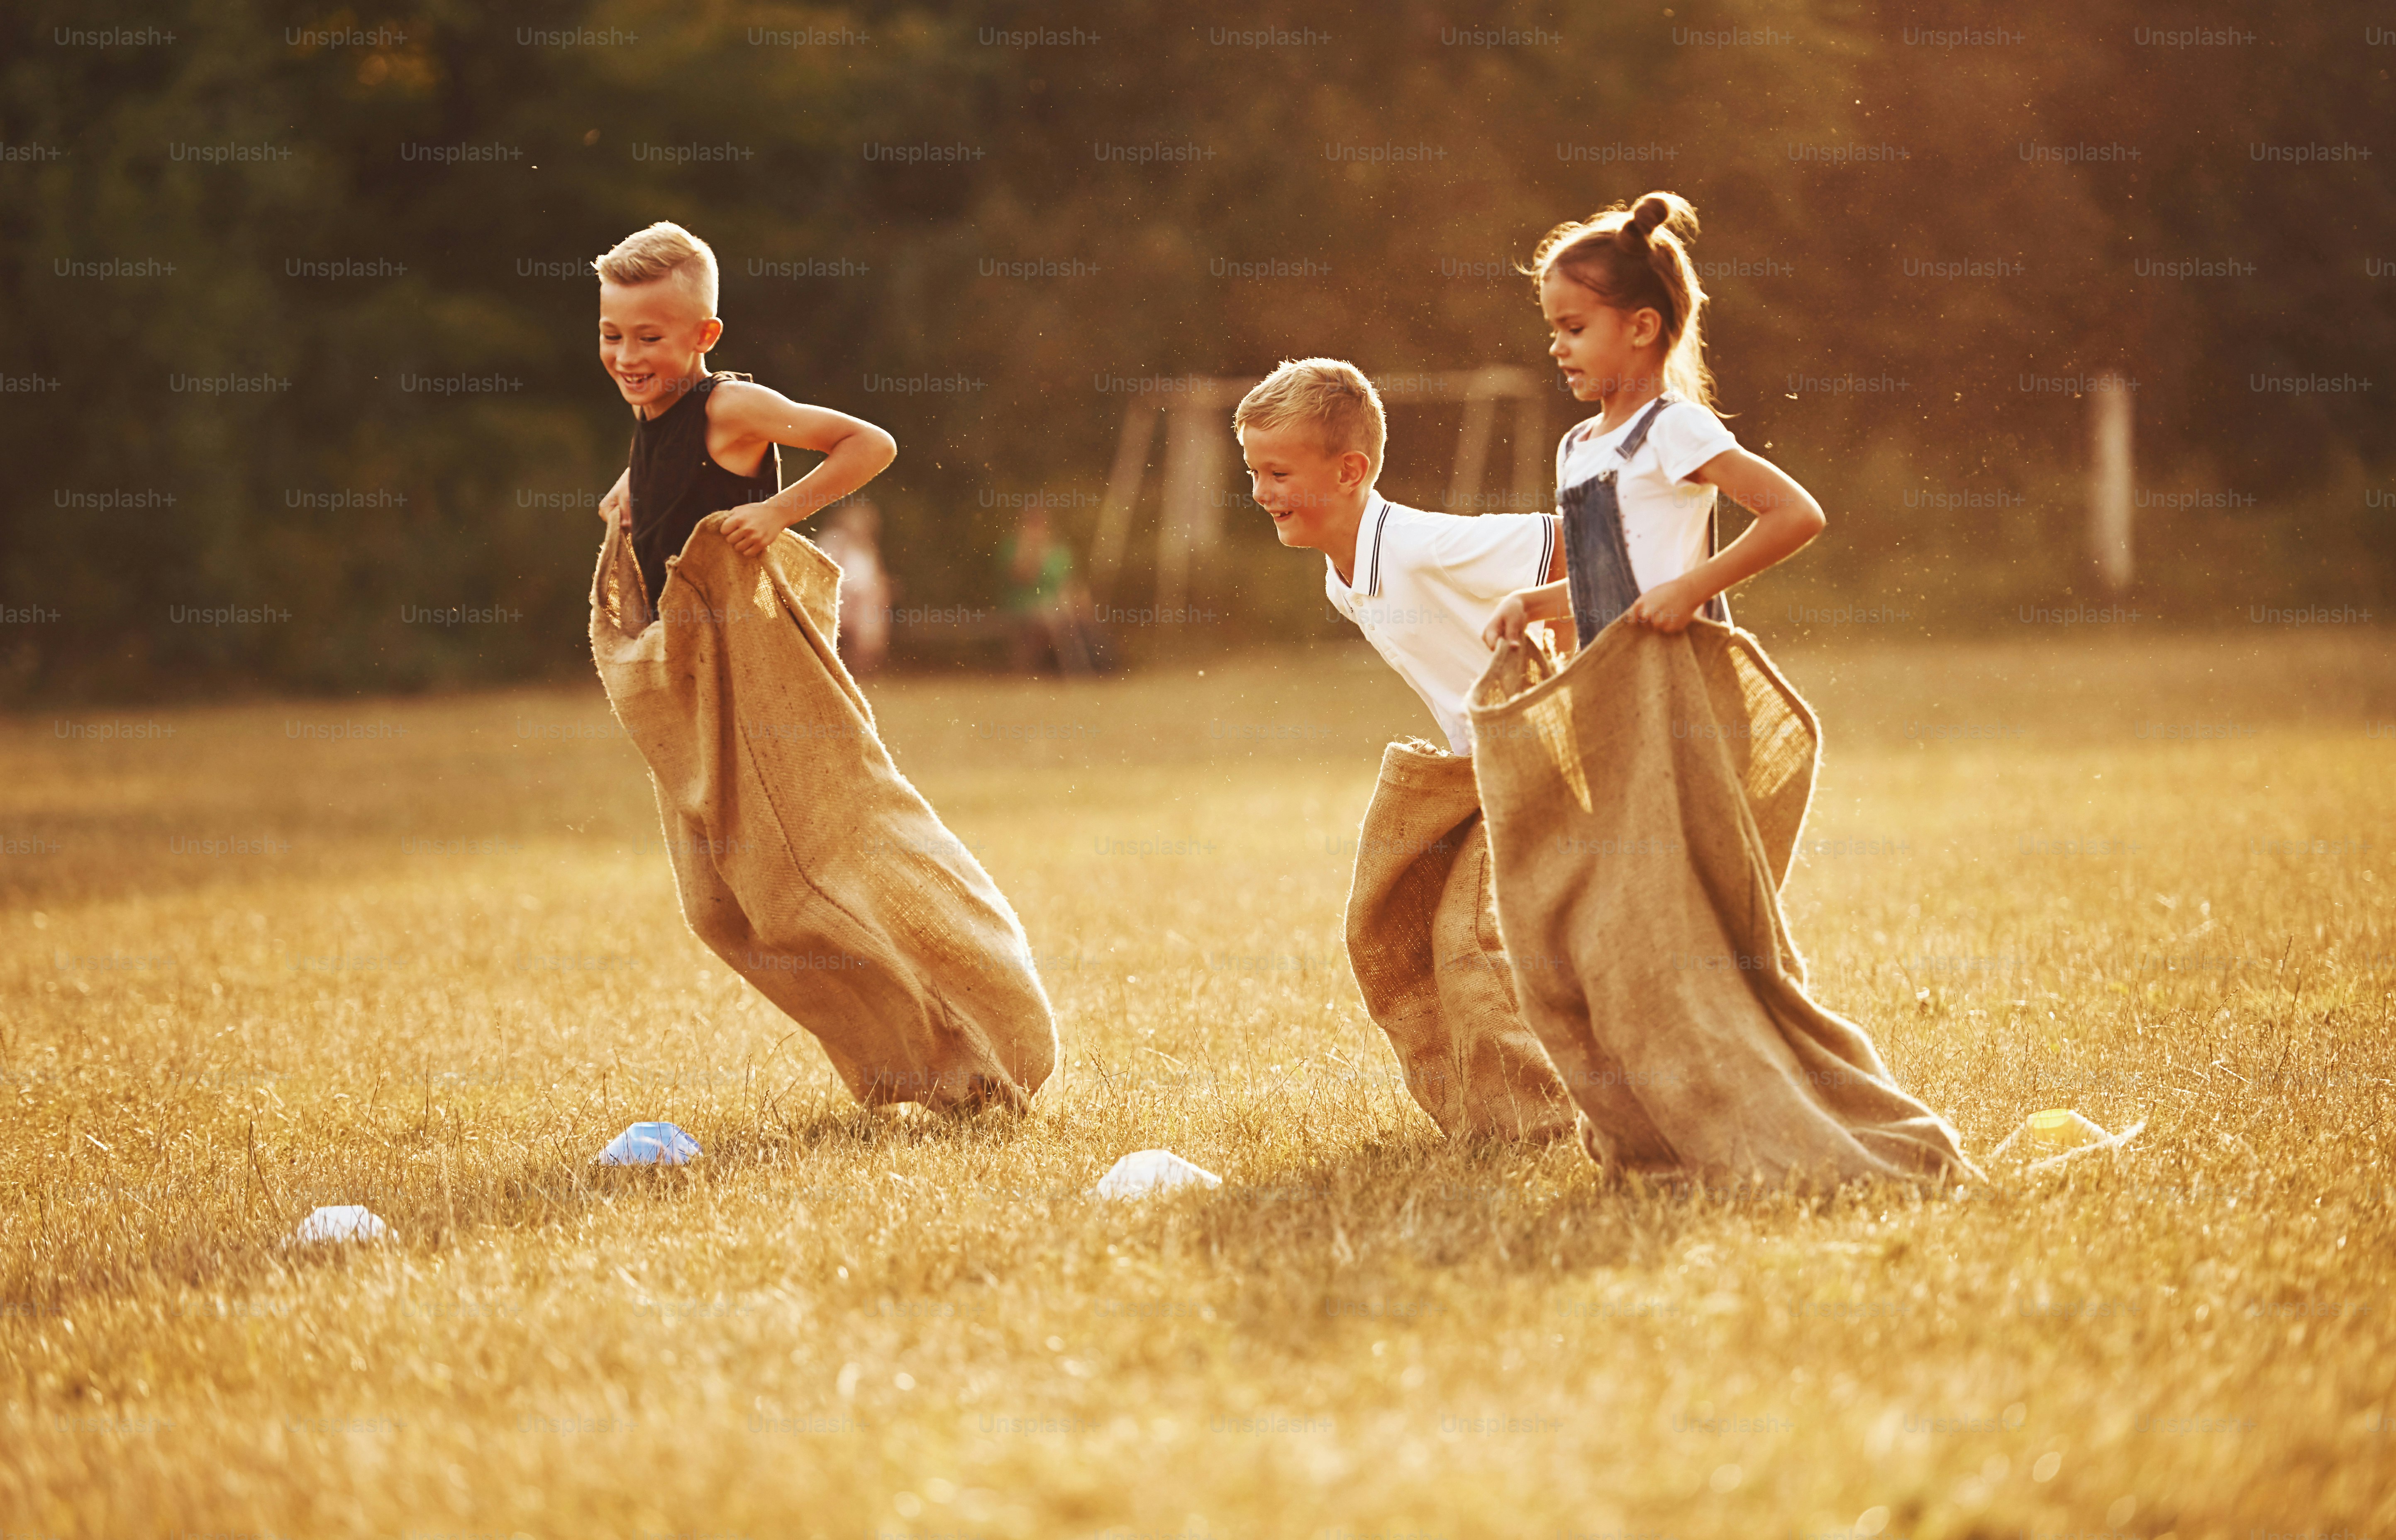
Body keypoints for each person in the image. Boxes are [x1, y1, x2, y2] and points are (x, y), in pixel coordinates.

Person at [1471, 192, 1976, 1188]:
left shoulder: (1670, 428)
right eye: (1551, 331)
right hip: (1604, 701)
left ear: (1641, 325)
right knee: (1609, 917)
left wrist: (1692, 590)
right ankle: (1653, 1114)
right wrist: (1535, 604)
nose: (1557, 349)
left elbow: (1793, 512)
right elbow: (1604, 580)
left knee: (1680, 921)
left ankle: (1762, 1104)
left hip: (1675, 704)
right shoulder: (1581, 447)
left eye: (1573, 328)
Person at [1234, 358, 1575, 1142]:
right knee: (1397, 925)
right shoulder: (1341, 579)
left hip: (1542, 756)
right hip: (1481, 769)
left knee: (1469, 938)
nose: (1260, 492)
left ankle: (1537, 1120)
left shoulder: (1422, 544)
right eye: (1254, 471)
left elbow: (1580, 547)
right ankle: (1486, 1100)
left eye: (1279, 471)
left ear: (1350, 470)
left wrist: (1559, 679)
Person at [589, 222, 895, 622]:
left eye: (649, 339)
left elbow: (872, 444)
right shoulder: (651, 399)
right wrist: (635, 479)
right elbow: (681, 453)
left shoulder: (729, 407)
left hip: (743, 634)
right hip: (675, 633)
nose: (627, 358)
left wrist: (778, 512)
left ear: (705, 336)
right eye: (612, 336)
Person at [1000, 508, 1095, 675]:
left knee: (1071, 617)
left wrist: (1081, 601)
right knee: (1052, 620)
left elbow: (1069, 583)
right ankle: (1074, 669)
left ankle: (1084, 669)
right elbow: (1022, 577)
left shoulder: (1059, 552)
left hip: (1055, 608)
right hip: (1023, 607)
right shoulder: (1012, 548)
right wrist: (1032, 550)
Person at [814, 499, 893, 676]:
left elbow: (873, 580)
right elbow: (824, 573)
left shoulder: (867, 548)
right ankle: (845, 669)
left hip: (861, 603)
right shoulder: (835, 541)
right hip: (838, 599)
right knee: (867, 614)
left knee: (872, 610)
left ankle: (860, 669)